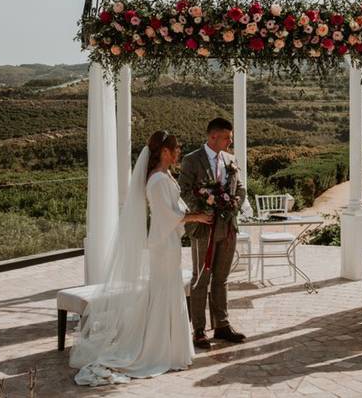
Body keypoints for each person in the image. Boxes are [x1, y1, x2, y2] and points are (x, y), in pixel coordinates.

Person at [70, 131, 210, 385]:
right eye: (176, 148)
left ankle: (174, 349)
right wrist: (194, 217)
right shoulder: (156, 180)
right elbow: (165, 215)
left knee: (171, 292)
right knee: (164, 293)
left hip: (170, 242)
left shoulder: (165, 175)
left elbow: (175, 207)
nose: (179, 152)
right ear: (165, 152)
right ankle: (158, 351)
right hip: (162, 245)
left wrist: (193, 210)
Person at [179, 117, 247, 350]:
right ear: (213, 137)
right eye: (227, 137)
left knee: (222, 278)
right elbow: (184, 191)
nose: (230, 142)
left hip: (228, 227)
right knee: (201, 278)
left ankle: (222, 325)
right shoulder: (191, 160)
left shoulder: (230, 159)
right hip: (204, 227)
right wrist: (204, 208)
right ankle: (199, 330)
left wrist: (234, 204)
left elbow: (241, 187)